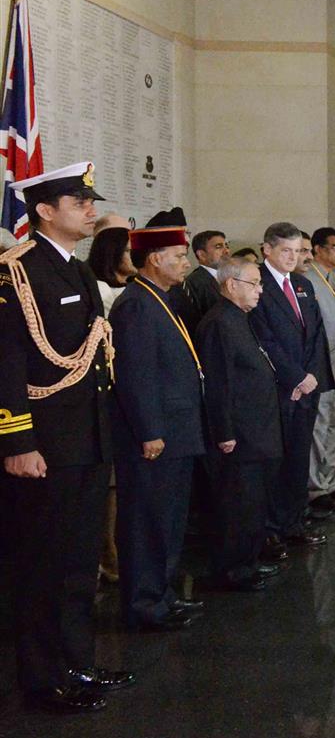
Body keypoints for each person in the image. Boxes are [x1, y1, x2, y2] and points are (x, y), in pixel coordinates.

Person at [0, 162, 128, 713]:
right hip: (46, 446)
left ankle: (76, 662)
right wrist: (17, 442)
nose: (90, 208)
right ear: (45, 211)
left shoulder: (74, 270)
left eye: (90, 201)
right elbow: (7, 364)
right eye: (79, 202)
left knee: (79, 565)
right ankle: (41, 678)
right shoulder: (16, 273)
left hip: (87, 442)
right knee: (42, 565)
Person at [109, 223, 206, 632]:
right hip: (155, 436)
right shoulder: (136, 304)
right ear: (154, 259)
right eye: (179, 256)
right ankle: (143, 604)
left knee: (167, 520)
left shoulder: (161, 299)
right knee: (146, 520)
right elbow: (136, 375)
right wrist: (150, 430)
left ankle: (162, 595)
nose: (185, 263)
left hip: (177, 430)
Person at [195, 258, 282, 592]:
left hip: (256, 431)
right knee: (236, 505)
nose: (261, 290)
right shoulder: (219, 323)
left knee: (253, 503)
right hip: (240, 435)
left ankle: (248, 562)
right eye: (255, 283)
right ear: (231, 285)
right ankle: (231, 570)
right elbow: (217, 382)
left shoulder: (239, 318)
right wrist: (225, 431)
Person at [250, 222, 329, 562]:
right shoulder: (256, 284)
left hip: (306, 388)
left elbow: (315, 334)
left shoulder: (303, 285)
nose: (292, 257)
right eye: (286, 251)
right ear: (267, 249)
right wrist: (295, 377)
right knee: (274, 463)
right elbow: (263, 338)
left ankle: (295, 522)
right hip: (279, 389)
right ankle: (270, 529)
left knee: (298, 458)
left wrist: (311, 375)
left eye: (298, 251)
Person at [85, 225, 135, 585]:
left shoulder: (132, 290)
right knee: (109, 491)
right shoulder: (100, 291)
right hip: (106, 396)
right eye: (129, 250)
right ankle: (109, 557)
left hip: (127, 398)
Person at [306, 227, 335, 512]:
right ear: (318, 249)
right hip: (323, 367)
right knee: (319, 428)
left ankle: (331, 480)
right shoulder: (307, 280)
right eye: (334, 247)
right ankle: (315, 488)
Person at [183, 229, 230, 332]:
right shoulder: (194, 282)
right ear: (202, 255)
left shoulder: (231, 277)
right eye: (218, 247)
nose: (226, 251)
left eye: (226, 246)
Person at [88, 226, 134, 313]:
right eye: (129, 251)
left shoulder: (134, 287)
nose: (137, 256)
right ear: (112, 253)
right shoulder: (101, 290)